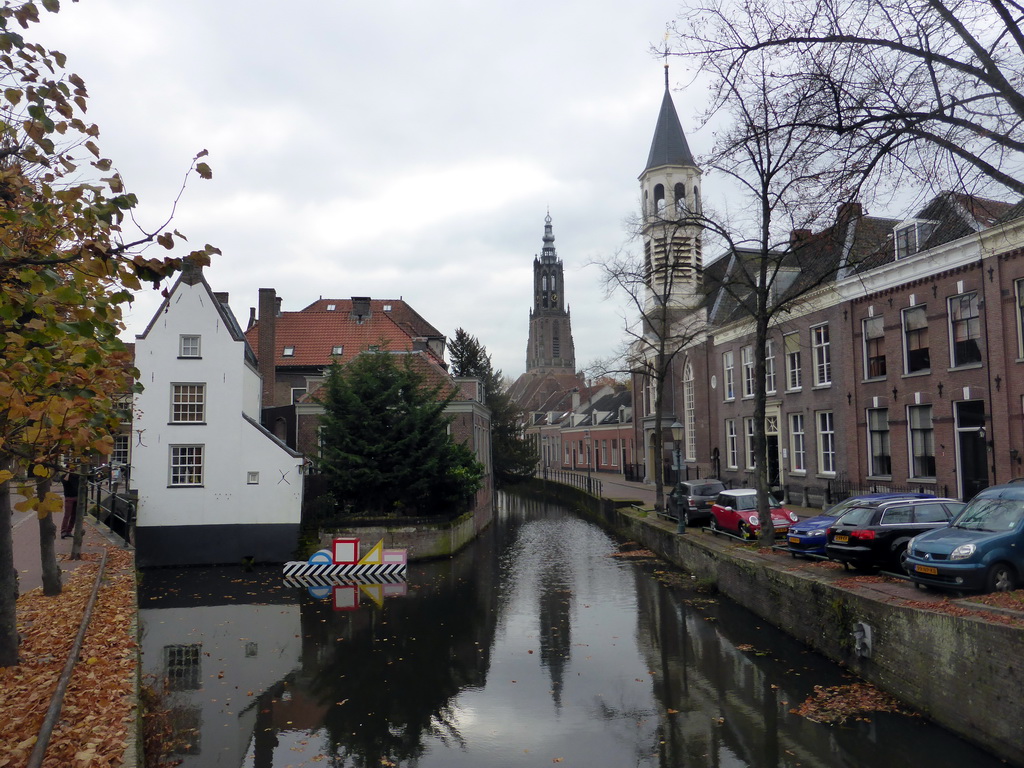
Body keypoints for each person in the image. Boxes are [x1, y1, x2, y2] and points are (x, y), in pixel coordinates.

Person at [61, 471, 78, 540]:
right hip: (69, 497)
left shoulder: (77, 476)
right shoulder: (63, 476)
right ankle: (63, 531)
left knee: (74, 516)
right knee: (67, 515)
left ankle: (69, 531)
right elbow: (65, 482)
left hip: (77, 497)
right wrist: (68, 473)